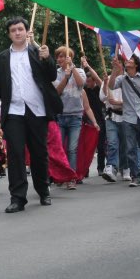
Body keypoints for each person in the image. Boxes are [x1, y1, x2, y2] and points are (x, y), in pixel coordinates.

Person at [0, 17, 62, 213]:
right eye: (13, 30)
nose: (17, 33)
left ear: (27, 32)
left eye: (20, 29)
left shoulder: (38, 53)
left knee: (39, 153)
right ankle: (18, 198)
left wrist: (47, 58)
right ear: (9, 34)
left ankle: (43, 190)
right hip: (13, 112)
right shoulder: (1, 58)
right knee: (16, 155)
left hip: (36, 111)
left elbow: (52, 76)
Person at [108, 54, 140, 188]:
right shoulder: (122, 79)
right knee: (130, 148)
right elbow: (111, 86)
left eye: (130, 59)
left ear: (136, 64)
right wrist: (115, 71)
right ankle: (135, 176)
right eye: (127, 60)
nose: (127, 61)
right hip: (128, 118)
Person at [53, 47, 85, 182]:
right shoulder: (55, 73)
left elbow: (81, 84)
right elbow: (57, 92)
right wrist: (65, 77)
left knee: (72, 149)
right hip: (61, 115)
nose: (60, 59)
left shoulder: (80, 71)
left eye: (63, 56)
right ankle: (60, 175)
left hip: (75, 116)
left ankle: (72, 177)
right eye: (58, 57)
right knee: (59, 148)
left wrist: (72, 68)